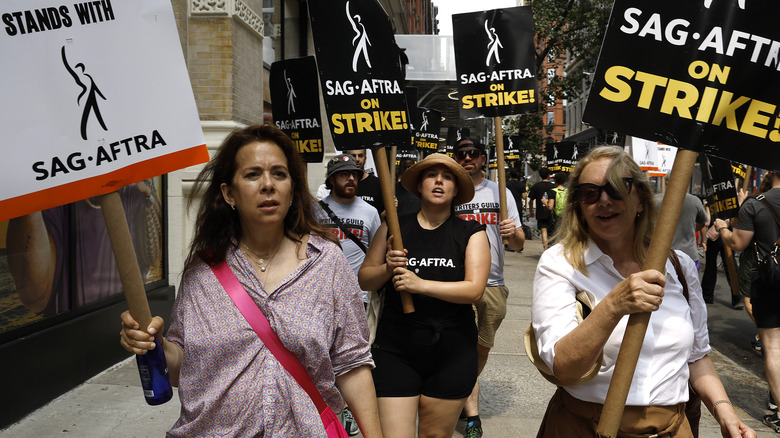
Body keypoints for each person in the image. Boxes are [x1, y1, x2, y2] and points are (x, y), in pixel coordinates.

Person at [119, 124, 382, 437]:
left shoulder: (327, 263)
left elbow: (352, 364)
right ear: (229, 193)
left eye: (279, 174)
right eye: (253, 174)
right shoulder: (203, 270)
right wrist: (155, 345)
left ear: (293, 189)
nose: (268, 185)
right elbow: (179, 368)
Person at [532, 146, 755, 437]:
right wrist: (614, 305)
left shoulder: (679, 266)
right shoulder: (561, 263)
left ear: (639, 200)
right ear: (579, 207)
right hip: (586, 426)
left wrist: (725, 411)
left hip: (672, 427)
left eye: (616, 188)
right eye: (589, 193)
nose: (603, 200)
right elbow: (564, 367)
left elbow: (697, 356)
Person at [358, 153, 490, 438]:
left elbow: (474, 290)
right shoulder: (394, 228)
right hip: (397, 350)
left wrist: (420, 284)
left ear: (456, 189)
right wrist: (387, 268)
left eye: (448, 176)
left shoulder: (471, 232)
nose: (439, 181)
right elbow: (365, 277)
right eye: (431, 175)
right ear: (419, 185)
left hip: (452, 352)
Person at [452, 137, 525, 438]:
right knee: (462, 347)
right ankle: (472, 414)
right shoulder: (451, 192)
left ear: (483, 159)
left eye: (473, 154)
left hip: (494, 284)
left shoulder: (501, 192)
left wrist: (513, 233)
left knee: (481, 349)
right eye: (461, 154)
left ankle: (459, 391)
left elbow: (519, 244)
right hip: (457, 282)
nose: (467, 159)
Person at [715, 169, 780, 433]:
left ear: (770, 171)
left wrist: (723, 229)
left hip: (771, 283)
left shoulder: (755, 203)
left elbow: (738, 243)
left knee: (774, 348)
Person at [654, 187, 709, 271]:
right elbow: (703, 223)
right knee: (689, 283)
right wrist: (690, 228)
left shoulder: (655, 200)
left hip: (661, 256)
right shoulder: (694, 200)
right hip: (689, 255)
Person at [348, 148, 385, 216]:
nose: (357, 159)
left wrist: (391, 207)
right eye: (353, 156)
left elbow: (382, 214)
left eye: (360, 155)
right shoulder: (343, 184)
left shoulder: (377, 183)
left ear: (365, 159)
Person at [529, 167, 556, 250]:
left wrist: (531, 211)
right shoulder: (553, 186)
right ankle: (552, 250)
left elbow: (530, 200)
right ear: (548, 175)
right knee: (552, 233)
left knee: (543, 232)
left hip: (540, 212)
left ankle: (545, 249)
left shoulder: (536, 186)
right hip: (551, 212)